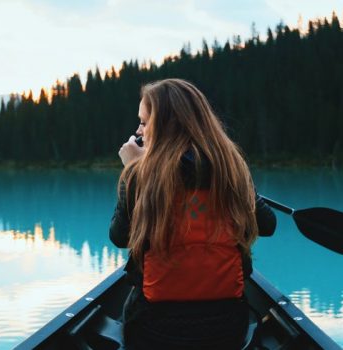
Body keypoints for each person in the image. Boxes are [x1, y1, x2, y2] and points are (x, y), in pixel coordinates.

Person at [109, 78, 276, 349]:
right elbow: (267, 225)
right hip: (226, 328)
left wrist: (132, 172)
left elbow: (120, 237)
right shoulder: (230, 166)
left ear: (164, 125)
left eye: (144, 121)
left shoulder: (141, 175)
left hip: (155, 329)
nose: (139, 131)